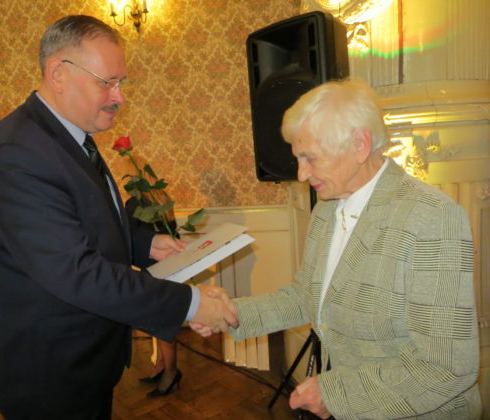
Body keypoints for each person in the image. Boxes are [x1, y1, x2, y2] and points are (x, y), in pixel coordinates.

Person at [0, 15, 237, 420]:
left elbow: (84, 221)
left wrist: (145, 244)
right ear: (58, 74)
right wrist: (191, 304)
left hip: (83, 363)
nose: (119, 97)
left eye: (121, 83)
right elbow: (75, 271)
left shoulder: (67, 138)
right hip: (49, 378)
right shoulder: (18, 153)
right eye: (106, 83)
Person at [192, 79, 481, 419]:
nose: (302, 174)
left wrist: (335, 393)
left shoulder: (431, 218)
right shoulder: (327, 209)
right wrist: (232, 313)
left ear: (359, 144)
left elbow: (446, 368)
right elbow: (307, 296)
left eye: (310, 158)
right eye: (298, 159)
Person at [124, 186, 182, 398]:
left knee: (162, 325)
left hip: (155, 268)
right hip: (171, 264)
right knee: (162, 323)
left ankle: (170, 373)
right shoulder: (162, 198)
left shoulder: (135, 203)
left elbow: (128, 235)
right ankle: (162, 367)